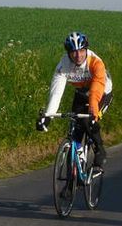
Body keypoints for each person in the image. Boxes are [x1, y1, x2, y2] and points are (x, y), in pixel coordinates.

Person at [36, 31, 113, 169]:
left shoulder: (95, 62)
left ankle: (99, 149)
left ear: (86, 49)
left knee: (88, 120)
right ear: (68, 53)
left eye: (81, 51)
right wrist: (48, 116)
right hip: (82, 92)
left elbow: (96, 90)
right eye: (74, 52)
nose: (78, 56)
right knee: (76, 127)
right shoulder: (64, 64)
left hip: (102, 92)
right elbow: (56, 92)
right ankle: (76, 172)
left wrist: (93, 109)